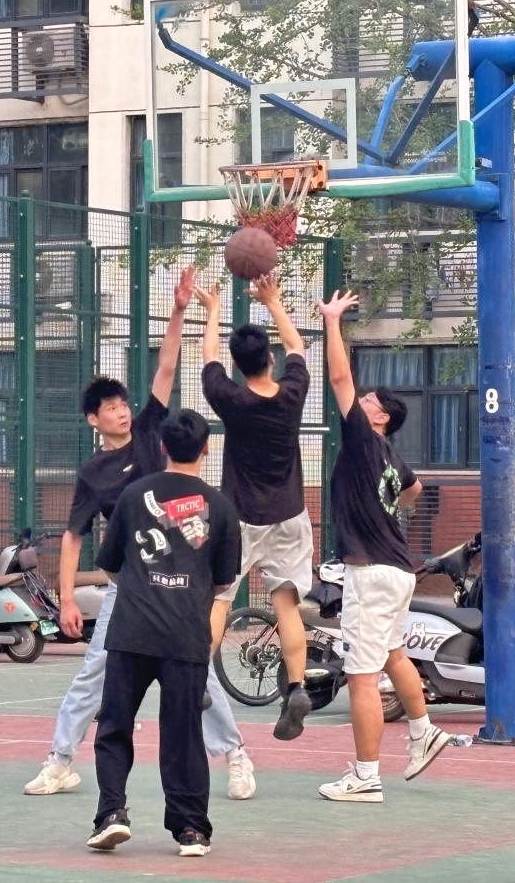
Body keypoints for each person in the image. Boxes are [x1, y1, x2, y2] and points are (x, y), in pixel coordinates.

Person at [24, 266, 256, 801]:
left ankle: (236, 755)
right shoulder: (93, 473)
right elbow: (74, 536)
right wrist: (66, 597)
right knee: (94, 671)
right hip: (129, 587)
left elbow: (167, 365)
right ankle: (60, 760)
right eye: (110, 408)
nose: (122, 412)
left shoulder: (152, 433)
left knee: (198, 674)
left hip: (180, 580)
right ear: (93, 420)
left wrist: (178, 310)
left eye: (123, 404)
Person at [315, 290, 451, 803]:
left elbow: (338, 378)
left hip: (371, 574)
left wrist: (332, 321)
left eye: (369, 401)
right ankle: (424, 730)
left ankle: (366, 775)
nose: (361, 401)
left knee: (361, 676)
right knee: (394, 655)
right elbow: (415, 488)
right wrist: (395, 503)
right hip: (397, 570)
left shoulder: (363, 439)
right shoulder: (391, 456)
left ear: (380, 418)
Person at [87, 409, 240, 858]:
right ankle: (191, 829)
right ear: (207, 448)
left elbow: (110, 566)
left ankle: (111, 814)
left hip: (132, 630)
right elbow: (223, 582)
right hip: (185, 635)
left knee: (115, 725)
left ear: (162, 447)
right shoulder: (221, 507)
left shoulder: (134, 495)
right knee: (183, 734)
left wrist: (144, 585)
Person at [193, 274, 314, 740]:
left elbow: (208, 359)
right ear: (269, 360)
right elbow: (297, 346)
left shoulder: (230, 399)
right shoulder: (292, 393)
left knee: (221, 598)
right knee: (286, 606)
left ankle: (197, 679)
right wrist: (272, 300)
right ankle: (296, 687)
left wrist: (212, 311)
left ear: (237, 366)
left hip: (240, 517)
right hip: (289, 514)